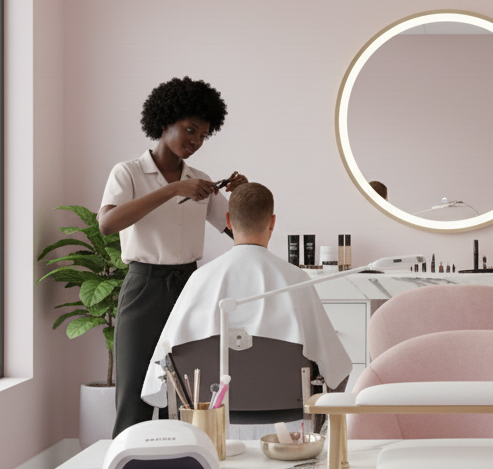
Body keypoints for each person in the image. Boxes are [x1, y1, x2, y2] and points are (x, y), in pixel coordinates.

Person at [141, 183, 352, 437]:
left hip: (210, 422)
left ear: (228, 221)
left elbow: (163, 366)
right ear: (272, 222)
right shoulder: (296, 279)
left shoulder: (200, 279)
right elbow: (336, 369)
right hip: (287, 426)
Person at [99, 77, 246, 437]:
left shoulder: (200, 180)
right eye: (190, 130)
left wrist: (243, 195)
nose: (195, 141)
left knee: (185, 394)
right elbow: (107, 223)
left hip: (189, 289)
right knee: (134, 392)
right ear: (164, 121)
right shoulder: (128, 173)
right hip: (143, 288)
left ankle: (184, 461)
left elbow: (239, 232)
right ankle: (126, 463)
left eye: (203, 135)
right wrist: (173, 189)